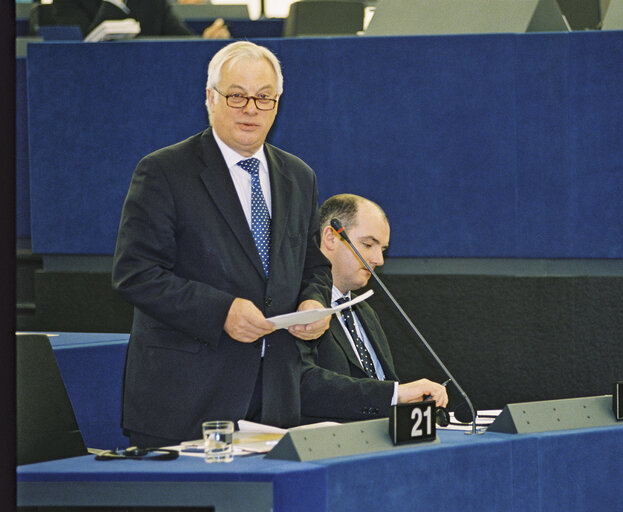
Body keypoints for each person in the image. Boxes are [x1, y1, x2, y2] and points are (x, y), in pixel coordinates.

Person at [112, 41, 333, 448]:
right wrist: (221, 311)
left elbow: (314, 268)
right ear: (210, 98)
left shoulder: (299, 176)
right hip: (187, 400)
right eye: (237, 95)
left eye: (263, 97)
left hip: (275, 399)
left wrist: (314, 304)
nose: (250, 108)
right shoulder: (164, 171)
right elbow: (136, 274)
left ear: (277, 104)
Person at [299, 194, 448, 423]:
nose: (379, 259)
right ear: (331, 237)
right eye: (368, 244)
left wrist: (409, 403)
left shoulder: (365, 312)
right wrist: (395, 394)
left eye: (383, 248)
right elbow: (304, 386)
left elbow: (379, 384)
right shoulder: (299, 308)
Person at [52, 0, 231, 39]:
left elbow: (181, 40)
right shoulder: (67, 2)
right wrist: (114, 3)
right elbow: (78, 55)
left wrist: (206, 41)